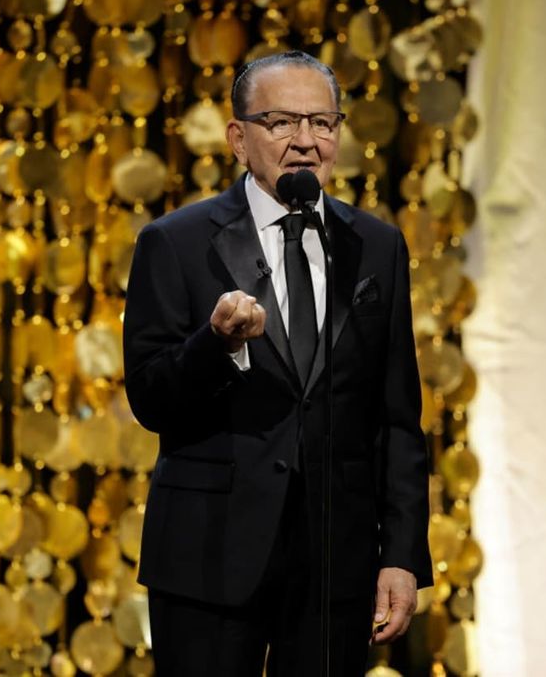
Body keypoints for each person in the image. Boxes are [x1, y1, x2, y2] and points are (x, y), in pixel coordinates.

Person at [123, 50, 432, 676]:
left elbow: (396, 416)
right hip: (209, 555)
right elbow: (150, 399)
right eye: (281, 122)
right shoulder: (175, 243)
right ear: (238, 138)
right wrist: (215, 344)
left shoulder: (376, 247)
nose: (304, 141)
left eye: (322, 123)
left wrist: (399, 554)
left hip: (333, 564)